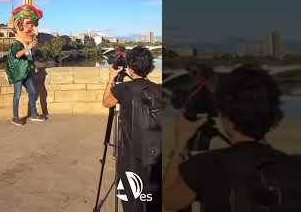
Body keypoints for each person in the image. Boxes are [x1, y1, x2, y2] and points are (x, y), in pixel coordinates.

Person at [162, 65, 286, 212]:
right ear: (274, 120)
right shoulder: (293, 167)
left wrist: (180, 144)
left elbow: (169, 201)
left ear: (225, 118)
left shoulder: (206, 166)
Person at [103, 46, 162, 212]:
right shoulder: (159, 89)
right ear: (150, 67)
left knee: (131, 198)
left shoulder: (123, 89)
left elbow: (107, 102)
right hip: (155, 154)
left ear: (129, 67)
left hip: (130, 156)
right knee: (151, 197)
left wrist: (111, 79)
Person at [6, 4, 46, 126]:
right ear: (19, 25)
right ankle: (15, 117)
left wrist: (32, 54)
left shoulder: (25, 43)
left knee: (33, 92)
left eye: (33, 25)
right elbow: (17, 55)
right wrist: (28, 47)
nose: (33, 29)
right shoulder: (17, 43)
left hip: (26, 72)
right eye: (30, 25)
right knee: (17, 95)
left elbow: (28, 56)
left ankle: (33, 114)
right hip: (18, 73)